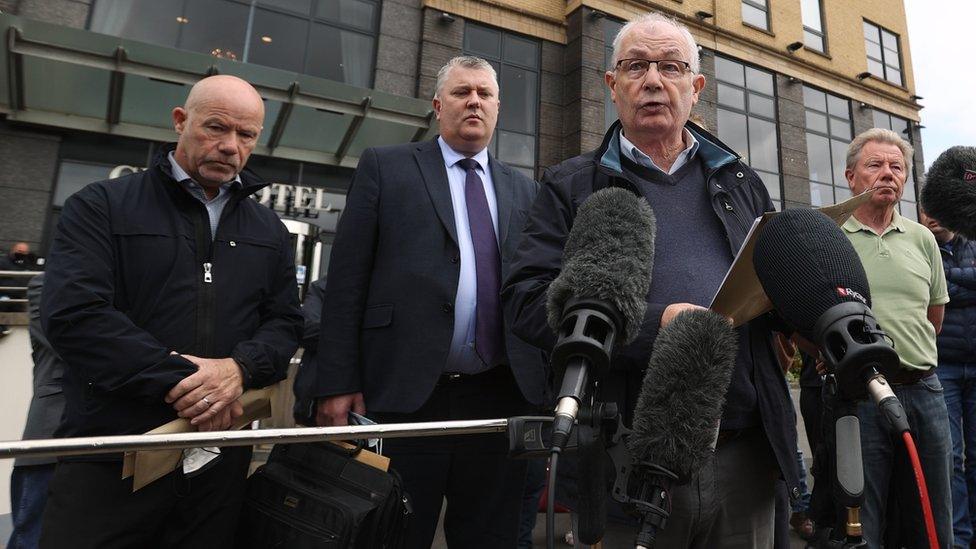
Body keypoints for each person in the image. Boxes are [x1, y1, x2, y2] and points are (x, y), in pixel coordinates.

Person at [503, 12, 798, 548]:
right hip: (628, 458)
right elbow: (526, 303)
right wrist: (649, 327)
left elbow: (771, 281)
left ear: (696, 87)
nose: (654, 81)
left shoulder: (743, 183)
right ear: (612, 86)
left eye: (670, 66)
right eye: (636, 66)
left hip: (744, 455)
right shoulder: (571, 186)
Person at [38, 75, 303, 549]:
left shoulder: (269, 229)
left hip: (218, 462)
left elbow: (285, 323)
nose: (229, 146)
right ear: (180, 121)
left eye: (246, 135)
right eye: (216, 128)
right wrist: (194, 384)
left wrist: (239, 369)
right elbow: (76, 315)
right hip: (110, 454)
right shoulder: (101, 206)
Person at [311, 56, 547, 548]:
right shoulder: (386, 167)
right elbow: (346, 283)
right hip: (403, 396)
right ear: (439, 106)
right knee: (395, 534)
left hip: (498, 397)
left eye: (485, 93)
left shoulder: (525, 190)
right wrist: (337, 381)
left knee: (491, 537)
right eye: (462, 93)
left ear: (498, 108)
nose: (474, 101)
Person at [838, 128, 951, 548]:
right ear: (851, 176)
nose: (888, 173)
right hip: (861, 397)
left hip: (924, 390)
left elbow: (933, 317)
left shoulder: (923, 238)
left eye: (896, 167)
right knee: (864, 516)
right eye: (875, 165)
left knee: (932, 511)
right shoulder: (830, 235)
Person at [923, 207, 976, 547]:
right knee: (950, 457)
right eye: (926, 209)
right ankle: (958, 536)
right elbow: (928, 295)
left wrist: (947, 280)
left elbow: (942, 291)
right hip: (942, 365)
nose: (933, 215)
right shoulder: (920, 245)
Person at [6, 274, 64, 549]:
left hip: (117, 442)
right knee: (33, 538)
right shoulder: (46, 283)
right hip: (49, 443)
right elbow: (78, 343)